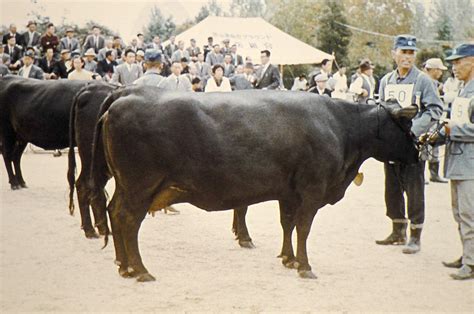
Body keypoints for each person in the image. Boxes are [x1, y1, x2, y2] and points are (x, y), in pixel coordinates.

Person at [375, 35, 443, 254]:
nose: (407, 57)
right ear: (394, 53)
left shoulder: (423, 81)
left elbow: (434, 109)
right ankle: (397, 231)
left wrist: (414, 129)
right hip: (391, 145)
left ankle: (415, 236)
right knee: (392, 189)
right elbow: (381, 109)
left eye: (411, 53)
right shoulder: (386, 80)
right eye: (403, 52)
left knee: (414, 190)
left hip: (413, 145)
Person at [436, 43, 474, 280]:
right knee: (459, 213)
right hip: (459, 162)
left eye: (458, 61)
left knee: (469, 214)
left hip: (470, 165)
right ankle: (467, 255)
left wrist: (453, 129)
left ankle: (471, 264)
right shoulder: (464, 89)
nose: (453, 67)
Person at [423, 58, 449, 183]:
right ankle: (422, 174)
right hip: (427, 120)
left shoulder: (434, 83)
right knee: (424, 146)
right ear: (433, 70)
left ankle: (434, 174)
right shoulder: (425, 82)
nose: (441, 73)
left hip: (435, 120)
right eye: (439, 70)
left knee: (435, 146)